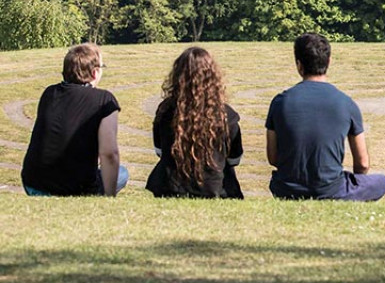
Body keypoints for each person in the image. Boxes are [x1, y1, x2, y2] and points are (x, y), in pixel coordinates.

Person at [266, 32, 385, 201]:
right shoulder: (346, 103)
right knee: (382, 181)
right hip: (330, 189)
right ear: (329, 61)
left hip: (286, 188)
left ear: (298, 65)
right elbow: (362, 163)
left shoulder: (280, 102)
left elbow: (273, 157)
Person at [21, 43, 127, 196]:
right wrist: (109, 198)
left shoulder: (49, 93)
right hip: (75, 188)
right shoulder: (104, 100)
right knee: (122, 173)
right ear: (94, 72)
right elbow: (109, 153)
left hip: (33, 184)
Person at [146, 47, 244, 198]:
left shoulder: (165, 110)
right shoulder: (227, 115)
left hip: (170, 187)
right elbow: (234, 159)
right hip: (214, 188)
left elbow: (159, 150)